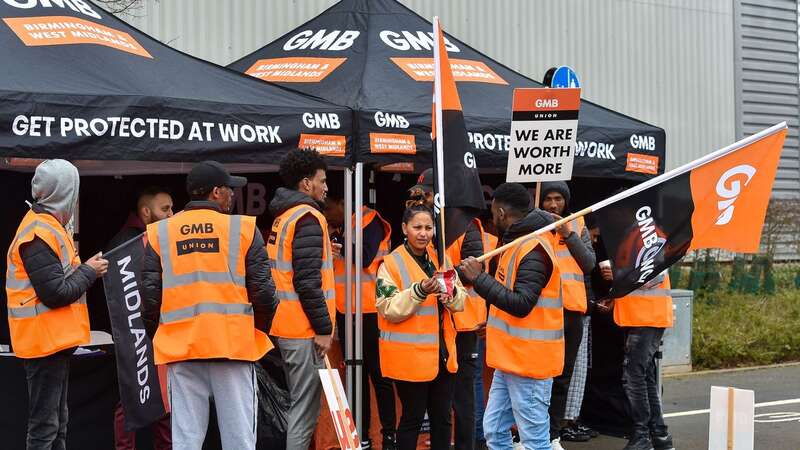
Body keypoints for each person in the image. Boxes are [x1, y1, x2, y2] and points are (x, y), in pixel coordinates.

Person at [142, 161, 277, 450]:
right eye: (230, 190)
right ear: (216, 192)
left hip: (182, 350)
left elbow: (150, 300)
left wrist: (164, 334)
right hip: (233, 349)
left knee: (186, 441)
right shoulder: (242, 229)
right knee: (239, 440)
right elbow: (264, 293)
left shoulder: (161, 233)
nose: (233, 196)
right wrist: (255, 332)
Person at [6, 159, 108, 450]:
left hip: (51, 342)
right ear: (65, 191)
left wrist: (86, 270)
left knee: (56, 423)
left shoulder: (47, 226)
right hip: (43, 343)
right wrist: (90, 271)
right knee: (45, 428)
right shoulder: (39, 232)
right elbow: (56, 293)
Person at [458, 182, 562, 450]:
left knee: (535, 441)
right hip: (511, 359)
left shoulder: (533, 249)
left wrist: (478, 279)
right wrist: (492, 324)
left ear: (502, 213)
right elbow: (511, 297)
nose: (492, 219)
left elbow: (522, 303)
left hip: (529, 363)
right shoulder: (516, 243)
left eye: (493, 213)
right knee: (494, 430)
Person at [375, 204, 466, 450]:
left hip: (443, 356)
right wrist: (419, 291)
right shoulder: (390, 263)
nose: (423, 233)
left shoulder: (442, 258)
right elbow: (389, 308)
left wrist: (451, 295)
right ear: (405, 228)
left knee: (443, 419)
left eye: (428, 227)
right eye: (417, 227)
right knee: (412, 419)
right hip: (409, 360)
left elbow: (461, 301)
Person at [408, 168, 485, 450]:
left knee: (463, 396)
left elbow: (477, 269)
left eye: (426, 194)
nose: (422, 200)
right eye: (420, 195)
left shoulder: (466, 225)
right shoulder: (427, 226)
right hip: (435, 325)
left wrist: (446, 278)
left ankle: (469, 445)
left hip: (462, 323)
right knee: (442, 400)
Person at [268, 148, 336, 450]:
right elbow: (307, 282)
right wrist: (323, 329)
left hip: (288, 325)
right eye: (322, 180)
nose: (326, 187)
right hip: (304, 329)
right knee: (304, 411)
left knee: (301, 405)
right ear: (306, 184)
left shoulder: (285, 216)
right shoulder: (308, 217)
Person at [324, 193, 397, 450]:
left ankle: (389, 435)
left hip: (370, 312)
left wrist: (339, 242)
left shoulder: (369, 220)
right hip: (347, 313)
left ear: (343, 202)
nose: (325, 213)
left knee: (379, 375)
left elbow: (365, 257)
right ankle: (361, 435)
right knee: (356, 373)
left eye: (327, 207)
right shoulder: (345, 227)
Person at [106, 186, 174, 450]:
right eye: (165, 209)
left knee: (163, 398)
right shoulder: (124, 246)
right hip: (136, 335)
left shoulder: (157, 239)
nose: (173, 214)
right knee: (132, 397)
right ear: (146, 212)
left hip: (160, 334)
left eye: (172, 208)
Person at [538, 181, 596, 449]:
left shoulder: (578, 224)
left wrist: (568, 234)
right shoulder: (533, 225)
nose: (553, 204)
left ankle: (553, 435)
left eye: (558, 199)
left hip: (571, 312)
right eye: (548, 198)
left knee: (563, 378)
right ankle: (533, 434)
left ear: (566, 201)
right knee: (539, 377)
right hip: (542, 313)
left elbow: (589, 263)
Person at [599, 265, 675, 450]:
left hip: (647, 317)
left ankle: (643, 436)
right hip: (640, 316)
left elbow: (653, 278)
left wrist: (618, 274)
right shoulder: (642, 240)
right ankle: (659, 435)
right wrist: (614, 294)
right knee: (644, 377)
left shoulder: (656, 239)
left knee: (633, 376)